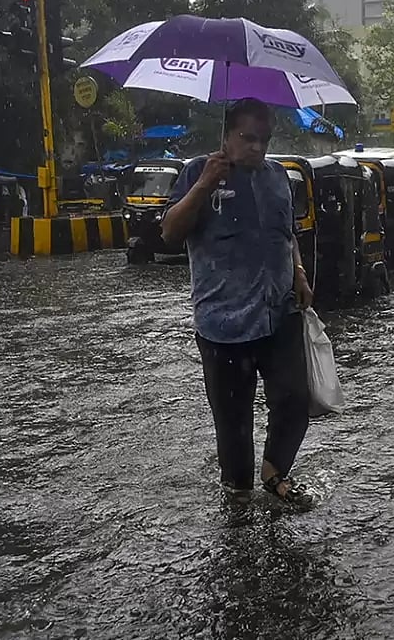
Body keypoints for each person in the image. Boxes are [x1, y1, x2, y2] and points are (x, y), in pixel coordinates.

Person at [161, 98, 315, 504]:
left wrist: (297, 271)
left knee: (296, 399)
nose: (257, 149)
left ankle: (274, 471)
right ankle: (238, 497)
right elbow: (170, 233)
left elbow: (286, 234)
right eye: (247, 138)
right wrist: (204, 185)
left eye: (263, 140)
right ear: (226, 136)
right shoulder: (198, 172)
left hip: (279, 311)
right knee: (234, 425)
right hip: (223, 324)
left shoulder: (278, 175)